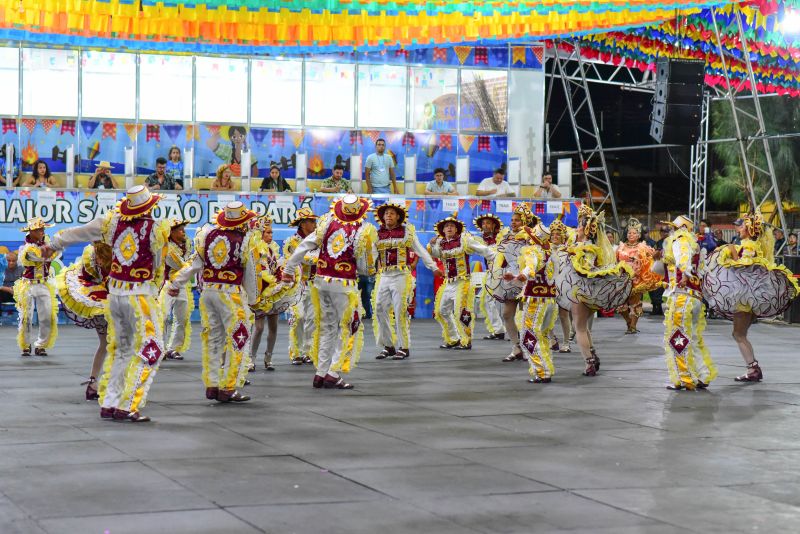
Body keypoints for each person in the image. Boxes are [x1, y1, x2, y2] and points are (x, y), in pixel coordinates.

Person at [45, 185, 170, 422]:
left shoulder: (111, 223)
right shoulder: (154, 228)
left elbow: (78, 232)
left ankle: (110, 402)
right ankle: (129, 404)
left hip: (115, 296)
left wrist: (52, 245)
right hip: (139, 296)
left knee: (122, 349)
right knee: (152, 348)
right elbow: (157, 268)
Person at [282, 194, 378, 390]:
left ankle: (320, 372)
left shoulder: (327, 223)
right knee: (349, 326)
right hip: (344, 285)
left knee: (327, 327)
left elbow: (305, 245)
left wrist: (289, 269)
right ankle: (333, 372)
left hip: (321, 282)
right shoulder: (364, 230)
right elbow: (366, 268)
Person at [168, 202, 260, 403]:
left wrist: (176, 282)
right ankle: (228, 387)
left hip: (208, 292)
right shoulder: (244, 240)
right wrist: (253, 300)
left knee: (213, 338)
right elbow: (250, 272)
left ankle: (212, 384)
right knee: (239, 337)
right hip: (231, 294)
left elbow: (194, 264)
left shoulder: (207, 236)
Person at [703, 213, 799, 383]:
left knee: (738, 334)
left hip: (744, 299)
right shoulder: (752, 245)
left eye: (740, 226)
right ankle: (753, 368)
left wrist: (731, 252)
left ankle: (753, 369)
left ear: (748, 229)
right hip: (749, 298)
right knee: (740, 334)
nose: (737, 229)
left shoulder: (748, 245)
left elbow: (744, 266)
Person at [551, 205, 633, 376]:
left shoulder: (586, 247)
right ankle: (592, 355)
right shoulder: (581, 244)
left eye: (580, 225)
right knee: (583, 327)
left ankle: (589, 362)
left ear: (586, 230)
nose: (577, 228)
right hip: (585, 291)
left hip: (581, 291)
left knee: (579, 327)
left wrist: (573, 254)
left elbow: (585, 268)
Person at [372, 202, 442, 361]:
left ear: (398, 217)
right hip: (384, 276)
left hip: (401, 275)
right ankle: (388, 346)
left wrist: (433, 267)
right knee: (379, 309)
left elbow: (420, 250)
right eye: (386, 213)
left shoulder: (406, 232)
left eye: (392, 213)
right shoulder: (377, 234)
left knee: (400, 310)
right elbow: (372, 255)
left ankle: (404, 347)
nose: (388, 216)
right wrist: (364, 268)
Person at [660, 215, 716, 391]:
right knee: (692, 338)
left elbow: (683, 260)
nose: (670, 231)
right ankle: (703, 374)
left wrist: (684, 274)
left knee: (678, 338)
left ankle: (684, 378)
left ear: (679, 229)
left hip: (683, 297)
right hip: (696, 297)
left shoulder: (680, 240)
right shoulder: (696, 244)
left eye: (672, 228)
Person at [428, 213, 495, 350]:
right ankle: (453, 339)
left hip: (462, 282)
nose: (449, 228)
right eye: (446, 226)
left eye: (452, 226)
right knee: (441, 311)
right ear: (442, 230)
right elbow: (435, 255)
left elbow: (482, 249)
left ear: (457, 229)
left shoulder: (464, 240)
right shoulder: (441, 244)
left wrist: (496, 259)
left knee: (462, 311)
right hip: (448, 282)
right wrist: (432, 244)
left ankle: (466, 340)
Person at [55, 242, 112, 400]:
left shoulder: (96, 253)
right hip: (104, 304)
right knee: (116, 345)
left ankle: (94, 383)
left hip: (105, 302)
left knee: (107, 344)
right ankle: (108, 386)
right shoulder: (95, 255)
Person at [485, 204, 537, 362]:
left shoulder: (530, 237)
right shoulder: (505, 236)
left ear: (524, 222)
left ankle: (531, 350)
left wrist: (525, 273)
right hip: (510, 279)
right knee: (507, 314)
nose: (513, 222)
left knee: (526, 318)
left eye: (517, 220)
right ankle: (516, 347)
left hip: (526, 279)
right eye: (512, 220)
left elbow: (534, 258)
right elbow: (499, 257)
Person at [515, 221, 558, 383]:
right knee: (543, 336)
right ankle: (545, 369)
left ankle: (542, 371)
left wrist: (524, 274)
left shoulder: (533, 250)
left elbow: (531, 265)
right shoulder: (550, 252)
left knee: (528, 336)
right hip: (550, 300)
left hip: (535, 300)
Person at [16, 217, 59, 357]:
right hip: (28, 284)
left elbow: (53, 254)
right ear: (32, 231)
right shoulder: (26, 249)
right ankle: (25, 345)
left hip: (44, 284)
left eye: (43, 229)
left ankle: (41, 345)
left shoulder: (46, 243)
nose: (42, 231)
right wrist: (51, 251)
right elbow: (42, 257)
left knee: (47, 315)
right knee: (26, 317)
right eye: (39, 229)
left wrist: (52, 250)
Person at [282, 207, 318, 366]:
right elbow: (298, 261)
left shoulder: (318, 240)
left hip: (314, 283)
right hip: (297, 285)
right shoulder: (291, 242)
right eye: (312, 221)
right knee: (298, 317)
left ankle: (307, 352)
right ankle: (295, 351)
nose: (315, 224)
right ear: (303, 224)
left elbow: (307, 258)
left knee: (312, 318)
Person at [615, 218, 663, 334]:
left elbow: (653, 256)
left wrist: (658, 255)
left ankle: (632, 326)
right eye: (629, 233)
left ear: (639, 235)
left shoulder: (643, 246)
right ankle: (628, 321)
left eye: (634, 233)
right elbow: (615, 261)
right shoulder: (620, 247)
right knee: (621, 305)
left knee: (634, 303)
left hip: (637, 279)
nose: (631, 235)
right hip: (622, 279)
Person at [160, 219, 193, 361]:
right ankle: (159, 348)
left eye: (183, 229)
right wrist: (194, 266)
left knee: (182, 318)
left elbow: (188, 263)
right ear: (171, 232)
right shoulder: (167, 247)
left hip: (182, 284)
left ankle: (173, 349)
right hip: (167, 284)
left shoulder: (188, 243)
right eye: (180, 230)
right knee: (164, 316)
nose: (183, 232)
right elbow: (182, 265)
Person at [474, 214, 506, 340]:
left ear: (494, 225)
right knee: (487, 299)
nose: (485, 225)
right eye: (483, 223)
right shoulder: (479, 239)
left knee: (511, 301)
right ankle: (498, 330)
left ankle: (519, 329)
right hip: (491, 274)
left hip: (505, 273)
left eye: (488, 223)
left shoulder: (502, 237)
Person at [546, 218, 575, 354]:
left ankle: (566, 342)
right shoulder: (546, 250)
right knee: (547, 314)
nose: (555, 237)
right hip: (548, 286)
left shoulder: (568, 251)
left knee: (564, 315)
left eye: (558, 234)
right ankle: (552, 339)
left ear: (563, 236)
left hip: (563, 287)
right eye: (553, 234)